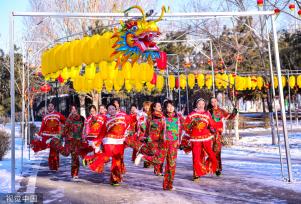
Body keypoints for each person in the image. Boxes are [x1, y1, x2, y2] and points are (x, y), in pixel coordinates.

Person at [135, 100, 184, 190]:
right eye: (168, 106)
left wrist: (183, 142)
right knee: (159, 161)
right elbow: (155, 131)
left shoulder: (179, 117)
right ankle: (143, 156)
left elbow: (185, 127)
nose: (170, 108)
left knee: (171, 165)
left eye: (172, 106)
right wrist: (148, 138)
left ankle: (168, 185)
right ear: (165, 108)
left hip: (174, 144)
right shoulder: (162, 118)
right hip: (164, 143)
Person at [83, 103, 130, 186]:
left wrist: (128, 134)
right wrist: (96, 142)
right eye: (109, 109)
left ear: (116, 109)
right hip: (109, 140)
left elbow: (130, 124)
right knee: (107, 156)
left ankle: (115, 179)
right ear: (107, 111)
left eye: (113, 108)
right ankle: (89, 160)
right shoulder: (106, 120)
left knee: (117, 160)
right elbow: (102, 133)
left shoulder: (123, 117)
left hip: (119, 141)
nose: (111, 110)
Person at [183, 98, 218, 182]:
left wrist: (213, 129)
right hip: (195, 139)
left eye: (203, 104)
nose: (201, 105)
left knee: (211, 154)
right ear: (196, 104)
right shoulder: (191, 114)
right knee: (196, 157)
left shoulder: (207, 113)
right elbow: (186, 127)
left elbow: (211, 124)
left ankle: (209, 167)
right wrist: (192, 124)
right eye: (199, 104)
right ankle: (196, 174)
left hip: (206, 138)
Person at [207, 97, 237, 176]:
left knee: (217, 151)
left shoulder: (221, 111)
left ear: (217, 101)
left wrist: (234, 113)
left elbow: (229, 117)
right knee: (209, 151)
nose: (213, 103)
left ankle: (217, 168)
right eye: (212, 102)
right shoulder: (208, 112)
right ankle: (206, 166)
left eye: (215, 101)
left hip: (218, 134)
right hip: (209, 134)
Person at [31, 102, 66, 171]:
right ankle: (52, 165)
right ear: (47, 108)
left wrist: (65, 129)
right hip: (47, 136)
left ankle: (55, 165)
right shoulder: (45, 116)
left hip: (56, 136)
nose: (50, 107)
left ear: (54, 107)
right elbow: (42, 127)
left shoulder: (58, 115)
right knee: (52, 151)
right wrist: (39, 134)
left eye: (51, 106)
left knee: (55, 150)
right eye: (49, 106)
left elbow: (65, 121)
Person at [57, 105, 84, 179]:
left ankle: (75, 173)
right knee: (66, 153)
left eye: (75, 110)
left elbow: (84, 129)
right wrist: (59, 137)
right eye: (72, 110)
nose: (73, 111)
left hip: (77, 141)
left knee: (75, 157)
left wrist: (83, 137)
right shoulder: (68, 119)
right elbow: (64, 129)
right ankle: (56, 145)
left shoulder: (81, 118)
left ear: (77, 110)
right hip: (69, 140)